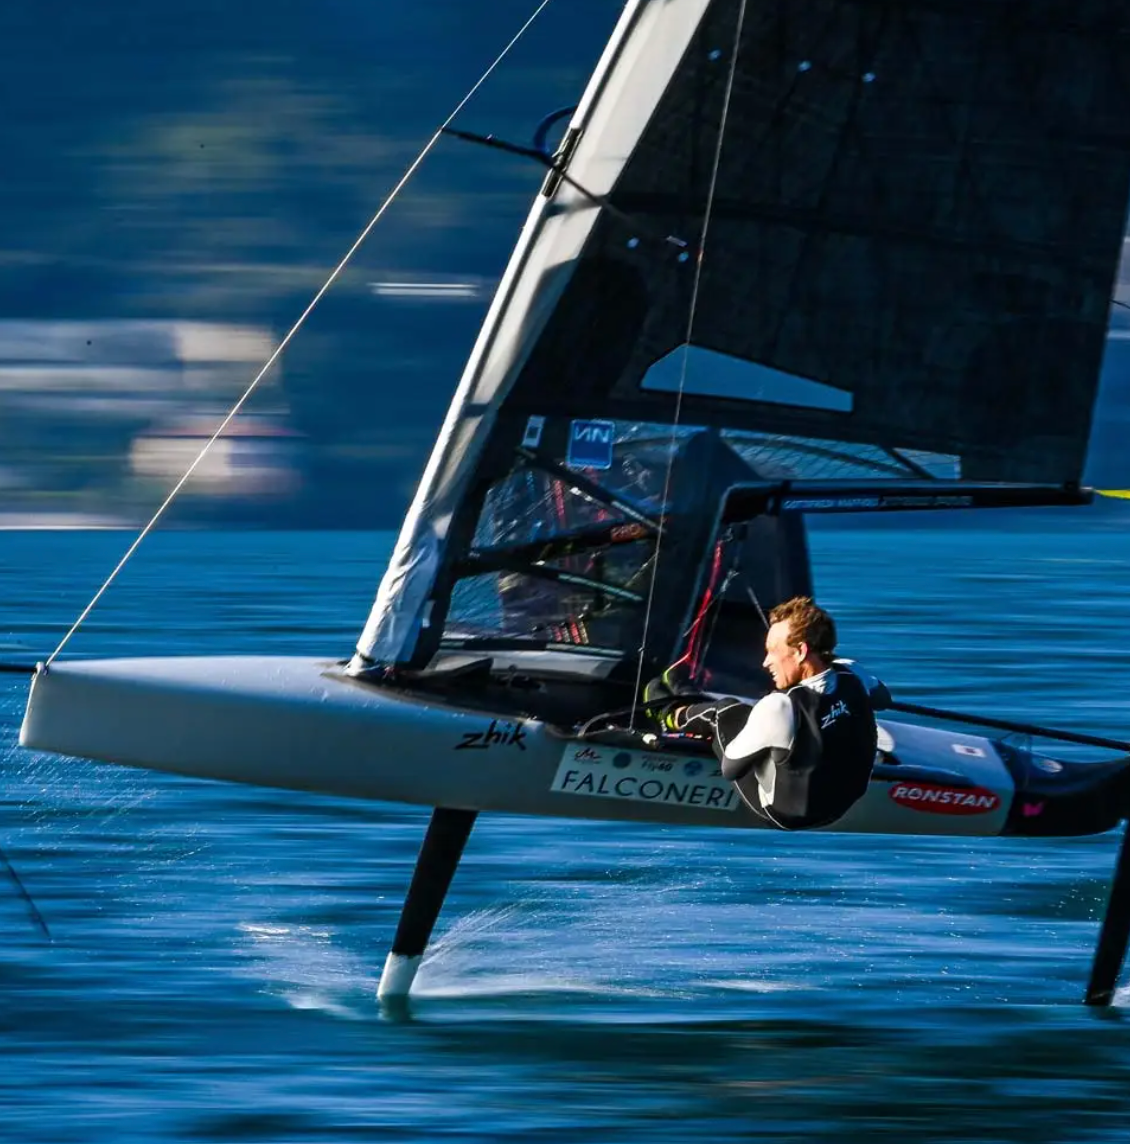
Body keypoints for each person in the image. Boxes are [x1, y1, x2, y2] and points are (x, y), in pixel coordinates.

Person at [647, 596, 889, 830]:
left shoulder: (779, 706)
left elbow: (731, 769)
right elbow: (882, 699)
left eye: (773, 650)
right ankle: (688, 695)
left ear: (800, 651)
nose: (765, 662)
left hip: (785, 815)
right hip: (843, 805)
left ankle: (669, 713)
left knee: (726, 711)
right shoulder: (854, 674)